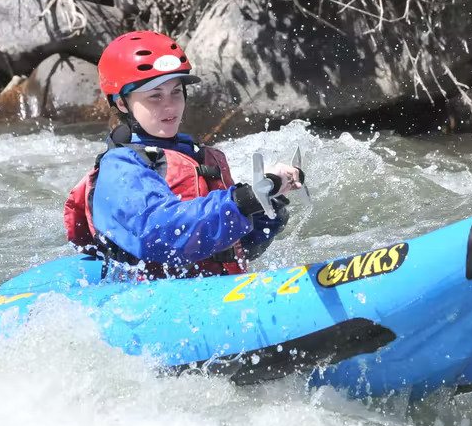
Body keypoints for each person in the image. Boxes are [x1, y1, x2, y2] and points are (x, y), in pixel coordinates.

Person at [64, 30, 303, 280]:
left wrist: (268, 202)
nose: (169, 106)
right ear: (122, 103)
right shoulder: (121, 167)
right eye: (155, 96)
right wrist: (242, 200)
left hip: (211, 287)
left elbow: (246, 247)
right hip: (150, 301)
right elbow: (162, 233)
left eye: (176, 92)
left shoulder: (200, 156)